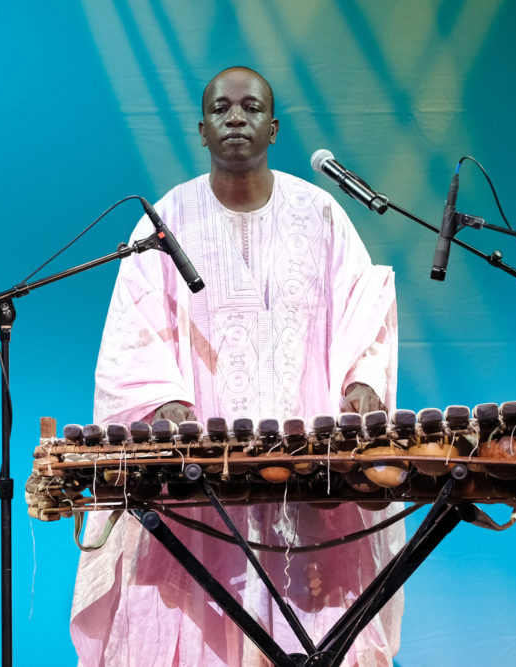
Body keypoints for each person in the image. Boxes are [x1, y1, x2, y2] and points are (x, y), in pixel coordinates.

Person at [71, 66, 402, 667]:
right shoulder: (165, 221)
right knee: (192, 609)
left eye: (251, 108)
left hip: (305, 473)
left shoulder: (321, 213)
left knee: (311, 625)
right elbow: (133, 328)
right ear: (202, 130)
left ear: (273, 128)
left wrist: (362, 380)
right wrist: (165, 400)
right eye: (221, 109)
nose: (236, 119)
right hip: (199, 473)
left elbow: (364, 301)